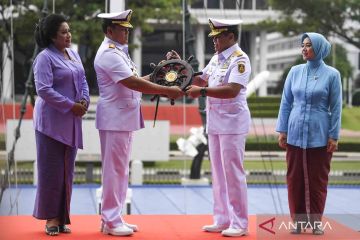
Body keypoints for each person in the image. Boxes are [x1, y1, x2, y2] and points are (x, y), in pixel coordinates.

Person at [94, 9, 184, 236]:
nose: (126, 33)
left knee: (120, 170)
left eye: (127, 29)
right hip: (116, 118)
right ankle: (111, 220)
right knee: (114, 172)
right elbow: (133, 84)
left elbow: (136, 80)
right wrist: (167, 91)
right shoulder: (109, 53)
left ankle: (113, 218)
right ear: (110, 30)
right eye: (122, 29)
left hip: (122, 118)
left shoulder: (120, 53)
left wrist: (164, 69)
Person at [170, 18, 251, 237]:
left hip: (233, 124)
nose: (214, 41)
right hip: (216, 122)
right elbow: (201, 78)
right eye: (213, 37)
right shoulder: (217, 58)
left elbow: (232, 89)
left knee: (233, 174)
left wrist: (202, 92)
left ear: (231, 37)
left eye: (218, 36)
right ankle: (222, 219)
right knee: (218, 173)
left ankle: (240, 223)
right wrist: (181, 66)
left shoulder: (239, 59)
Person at [276, 32, 342, 235]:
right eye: (302, 45)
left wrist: (334, 135)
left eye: (308, 46)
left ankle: (315, 222)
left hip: (319, 133)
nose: (304, 49)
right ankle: (297, 221)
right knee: (294, 178)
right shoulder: (294, 71)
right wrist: (282, 130)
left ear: (320, 48)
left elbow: (336, 106)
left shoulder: (332, 74)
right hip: (295, 131)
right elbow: (286, 102)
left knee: (317, 179)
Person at [32, 14, 90, 236]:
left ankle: (63, 217)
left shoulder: (73, 54)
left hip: (72, 120)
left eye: (69, 31)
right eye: (63, 32)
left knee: (67, 172)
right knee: (51, 172)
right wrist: (71, 105)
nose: (69, 35)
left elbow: (83, 80)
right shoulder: (44, 58)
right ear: (52, 36)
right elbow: (44, 90)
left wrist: (84, 100)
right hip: (51, 124)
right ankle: (50, 219)